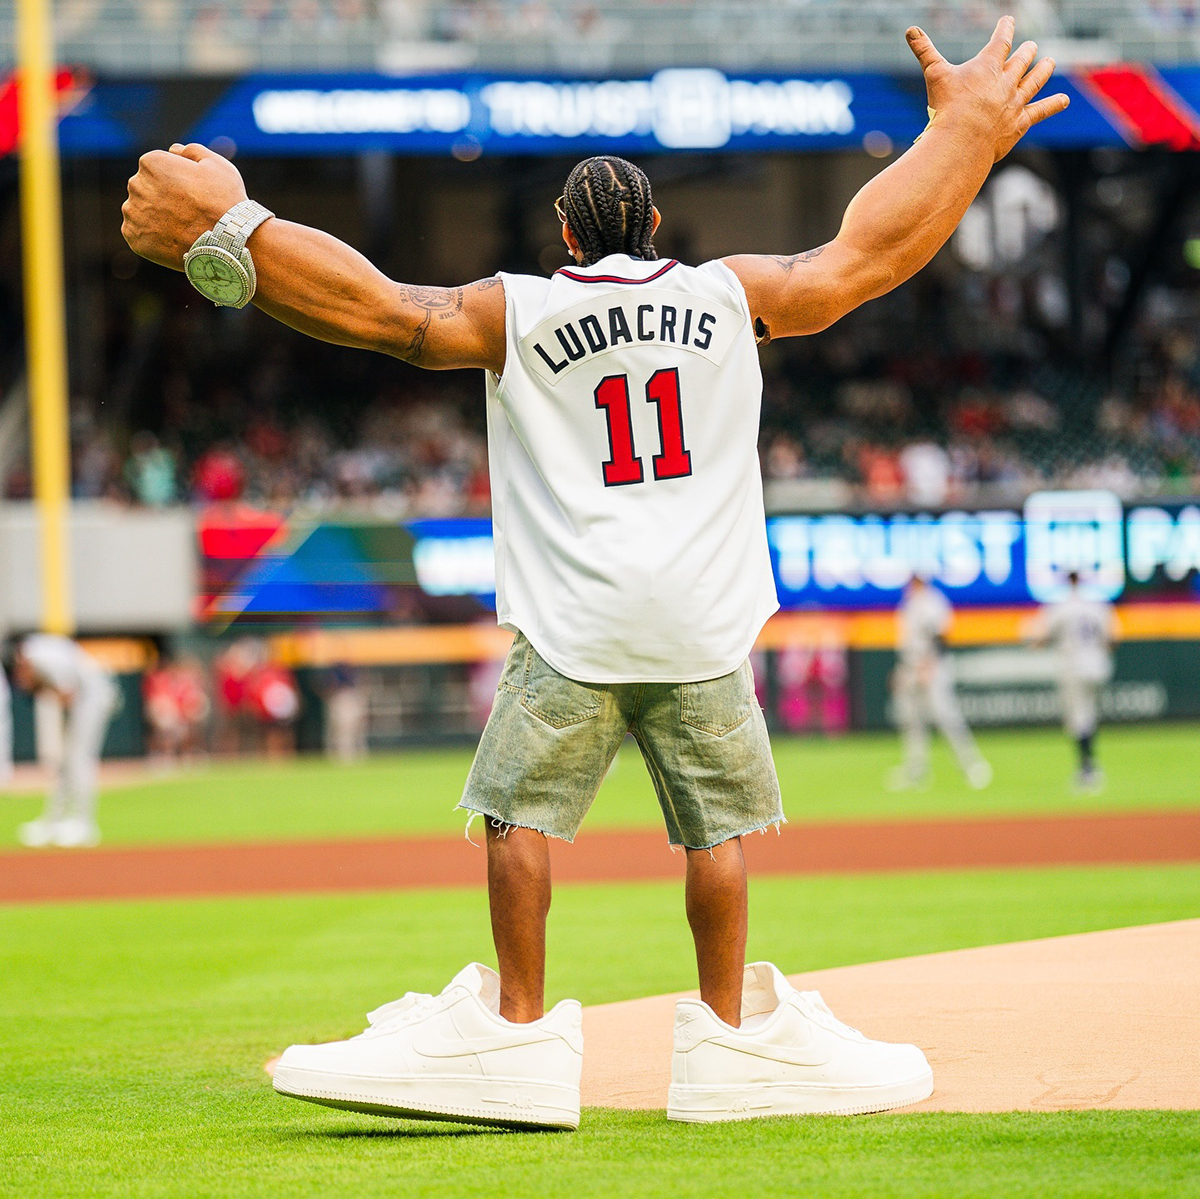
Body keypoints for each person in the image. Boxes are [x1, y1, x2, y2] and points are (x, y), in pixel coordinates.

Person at [121, 18, 1067, 1128]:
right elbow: (864, 258)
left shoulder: (517, 309)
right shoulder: (728, 295)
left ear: (565, 234)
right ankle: (730, 1036)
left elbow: (382, 310)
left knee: (520, 821)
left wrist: (231, 228)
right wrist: (963, 136)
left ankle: (515, 1031)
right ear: (657, 225)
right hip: (701, 623)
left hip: (576, 620)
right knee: (714, 836)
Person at [12, 634, 120, 848]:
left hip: (92, 696)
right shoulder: (38, 652)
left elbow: (66, 695)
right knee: (66, 762)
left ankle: (84, 824)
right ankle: (53, 822)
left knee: (79, 759)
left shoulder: (44, 660)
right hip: (82, 697)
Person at [888, 576, 993, 791]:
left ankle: (973, 765)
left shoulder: (932, 602)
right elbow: (909, 642)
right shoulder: (910, 604)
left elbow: (940, 637)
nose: (907, 586)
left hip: (931, 667)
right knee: (912, 721)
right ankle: (916, 772)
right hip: (911, 666)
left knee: (947, 717)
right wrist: (903, 670)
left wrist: (929, 664)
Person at [1029, 570, 1118, 791]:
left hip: (1074, 667)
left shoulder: (1060, 606)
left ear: (1068, 582)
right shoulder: (1099, 604)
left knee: (1078, 718)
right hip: (1098, 665)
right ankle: (1090, 766)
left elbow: (1041, 639)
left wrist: (1032, 640)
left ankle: (1088, 770)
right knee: (1088, 715)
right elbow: (1113, 640)